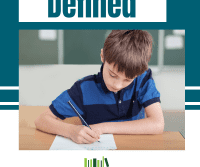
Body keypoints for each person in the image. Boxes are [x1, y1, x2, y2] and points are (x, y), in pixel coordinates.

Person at [35, 30, 164, 144]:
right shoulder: (83, 89)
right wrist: (71, 131)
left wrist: (102, 128)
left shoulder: (142, 79)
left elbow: (158, 124)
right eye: (112, 75)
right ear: (103, 56)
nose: (117, 85)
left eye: (128, 80)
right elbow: (41, 120)